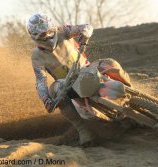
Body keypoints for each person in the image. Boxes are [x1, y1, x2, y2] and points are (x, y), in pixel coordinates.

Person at [27, 13, 131, 146]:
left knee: (111, 64)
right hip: (68, 85)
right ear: (35, 36)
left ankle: (131, 90)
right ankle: (83, 130)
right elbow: (41, 81)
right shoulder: (36, 56)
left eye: (49, 31)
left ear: (53, 27)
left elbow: (86, 26)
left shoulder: (63, 31)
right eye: (42, 34)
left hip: (88, 69)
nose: (47, 35)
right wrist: (45, 99)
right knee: (54, 90)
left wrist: (85, 33)